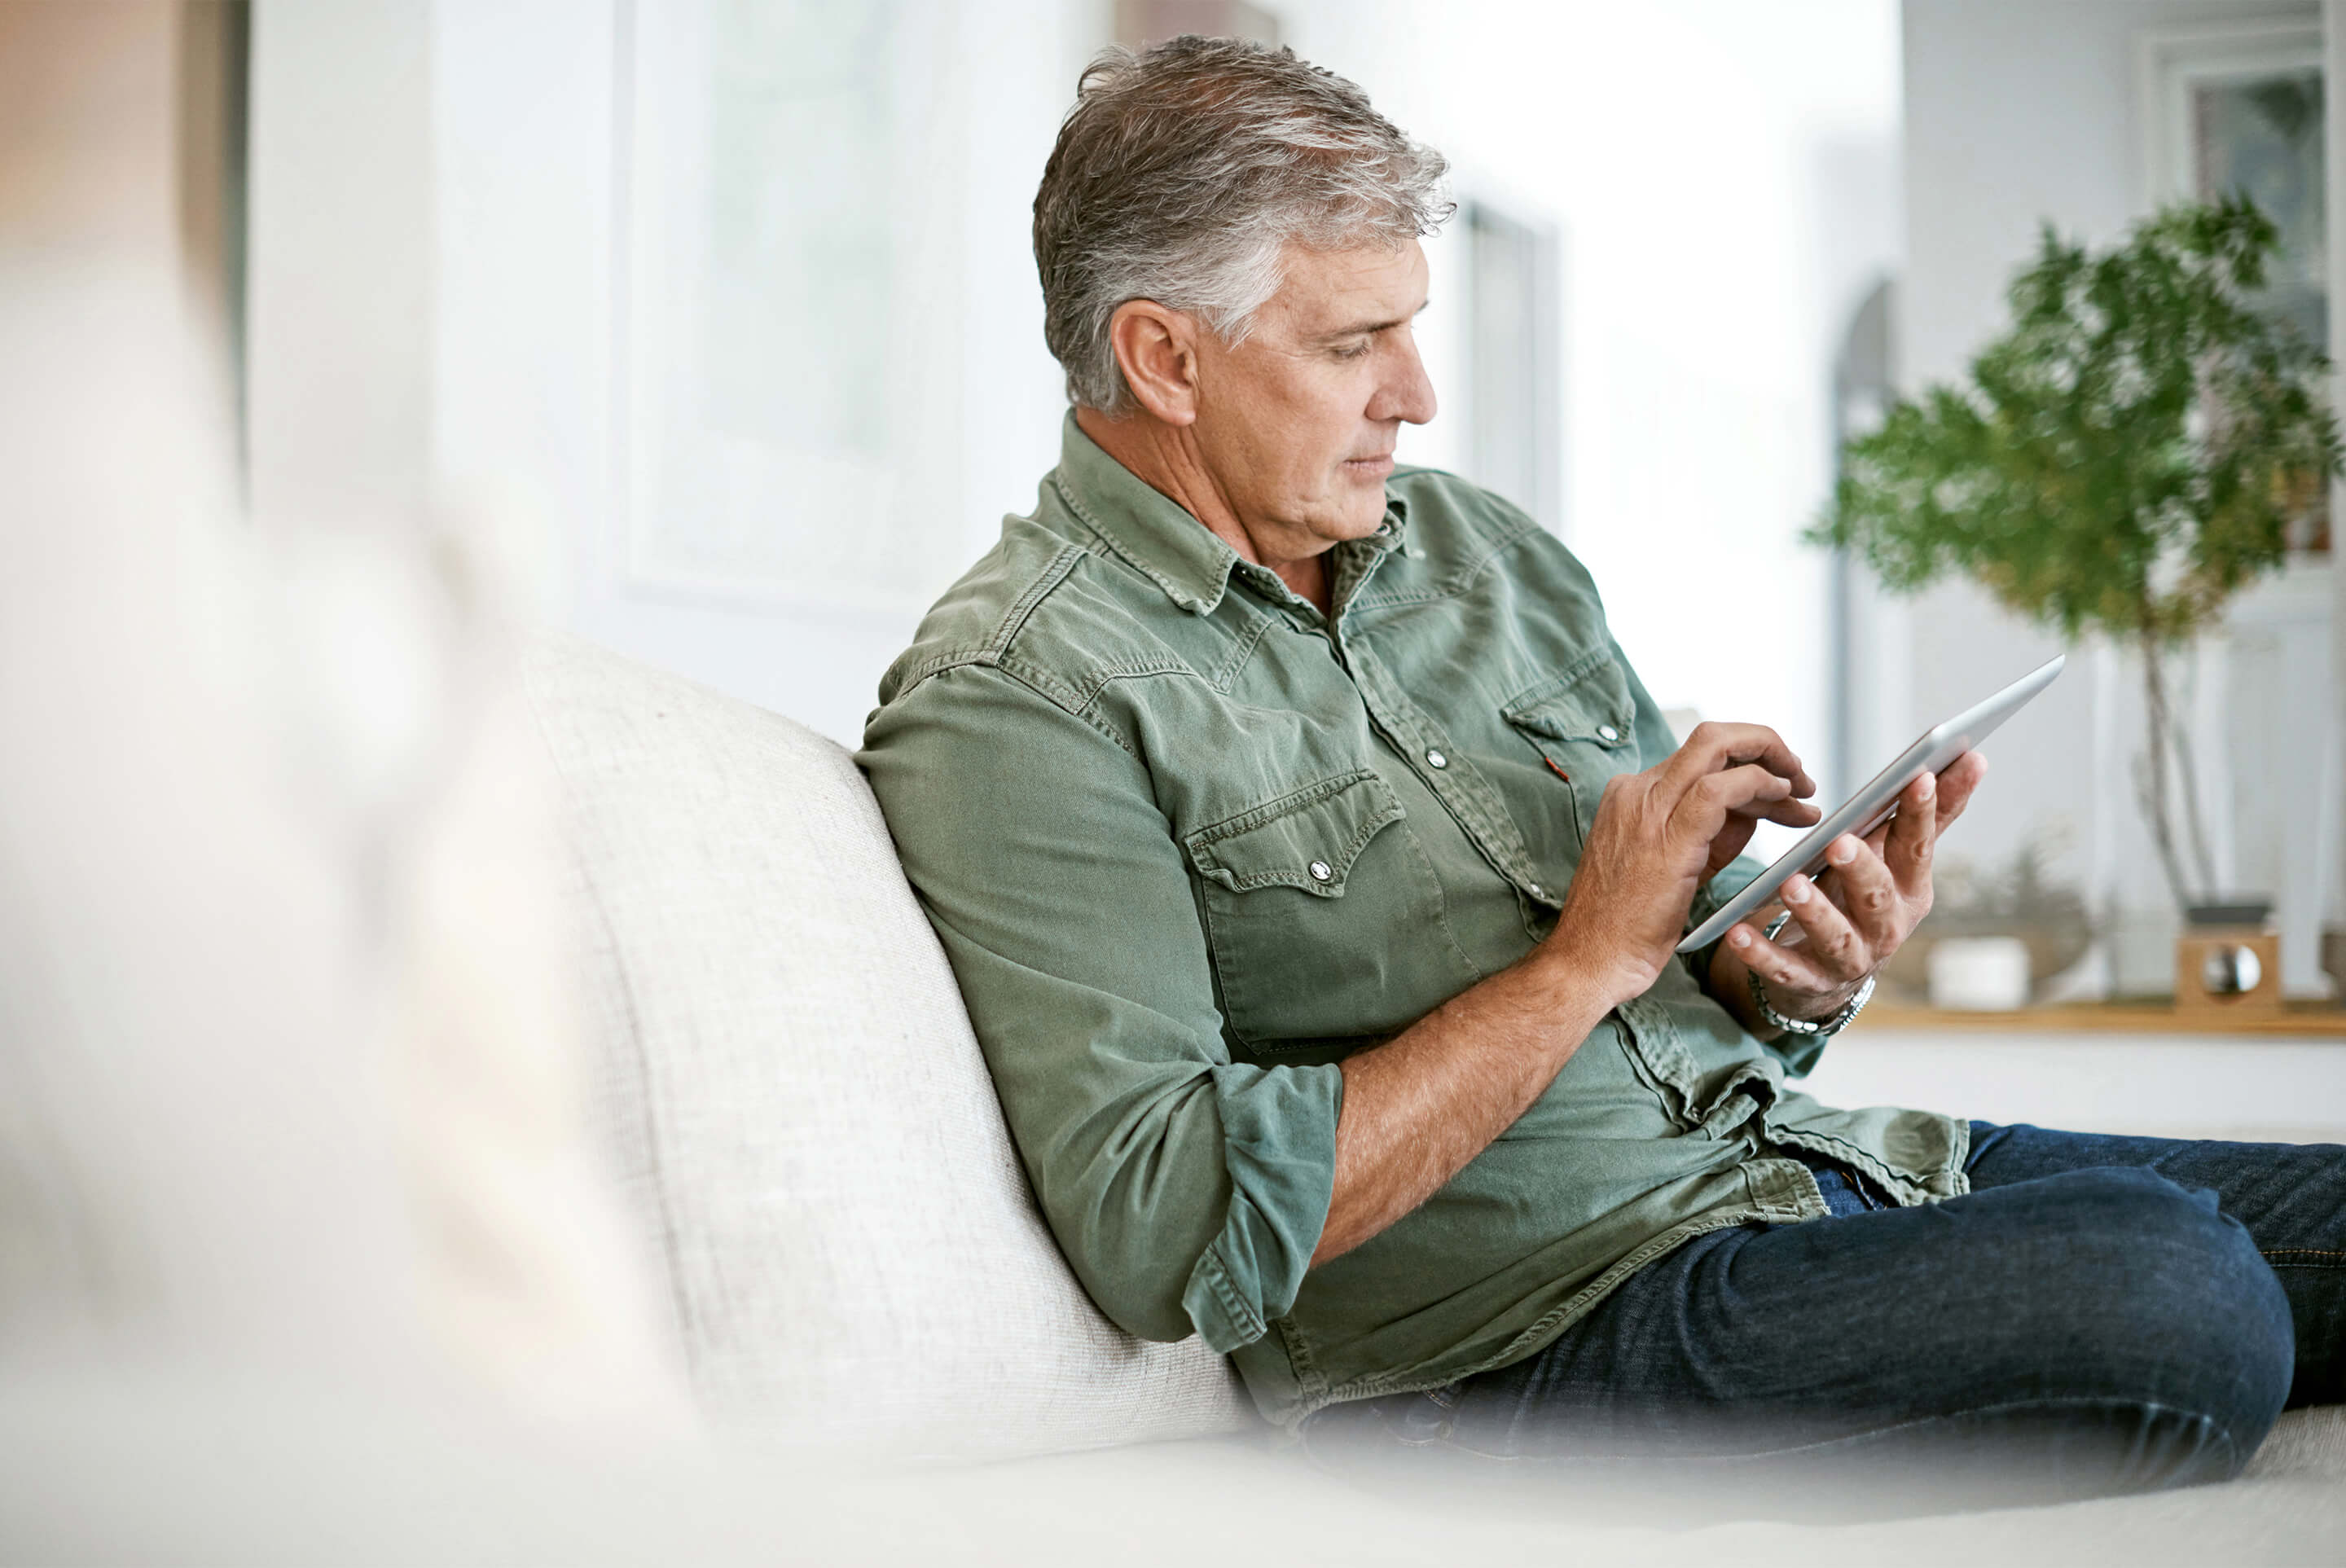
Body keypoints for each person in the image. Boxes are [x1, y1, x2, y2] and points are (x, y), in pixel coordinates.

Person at [858, 36, 2341, 1514]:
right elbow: (1163, 1222)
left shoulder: (1477, 556)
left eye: (1412, 329)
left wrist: (1789, 971)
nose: (1419, 394)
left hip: (1794, 1161)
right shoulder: (1019, 697)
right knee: (2181, 1285)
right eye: (1351, 343)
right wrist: (1580, 965)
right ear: (1164, 357)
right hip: (1526, 1333)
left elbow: (1677, 973)